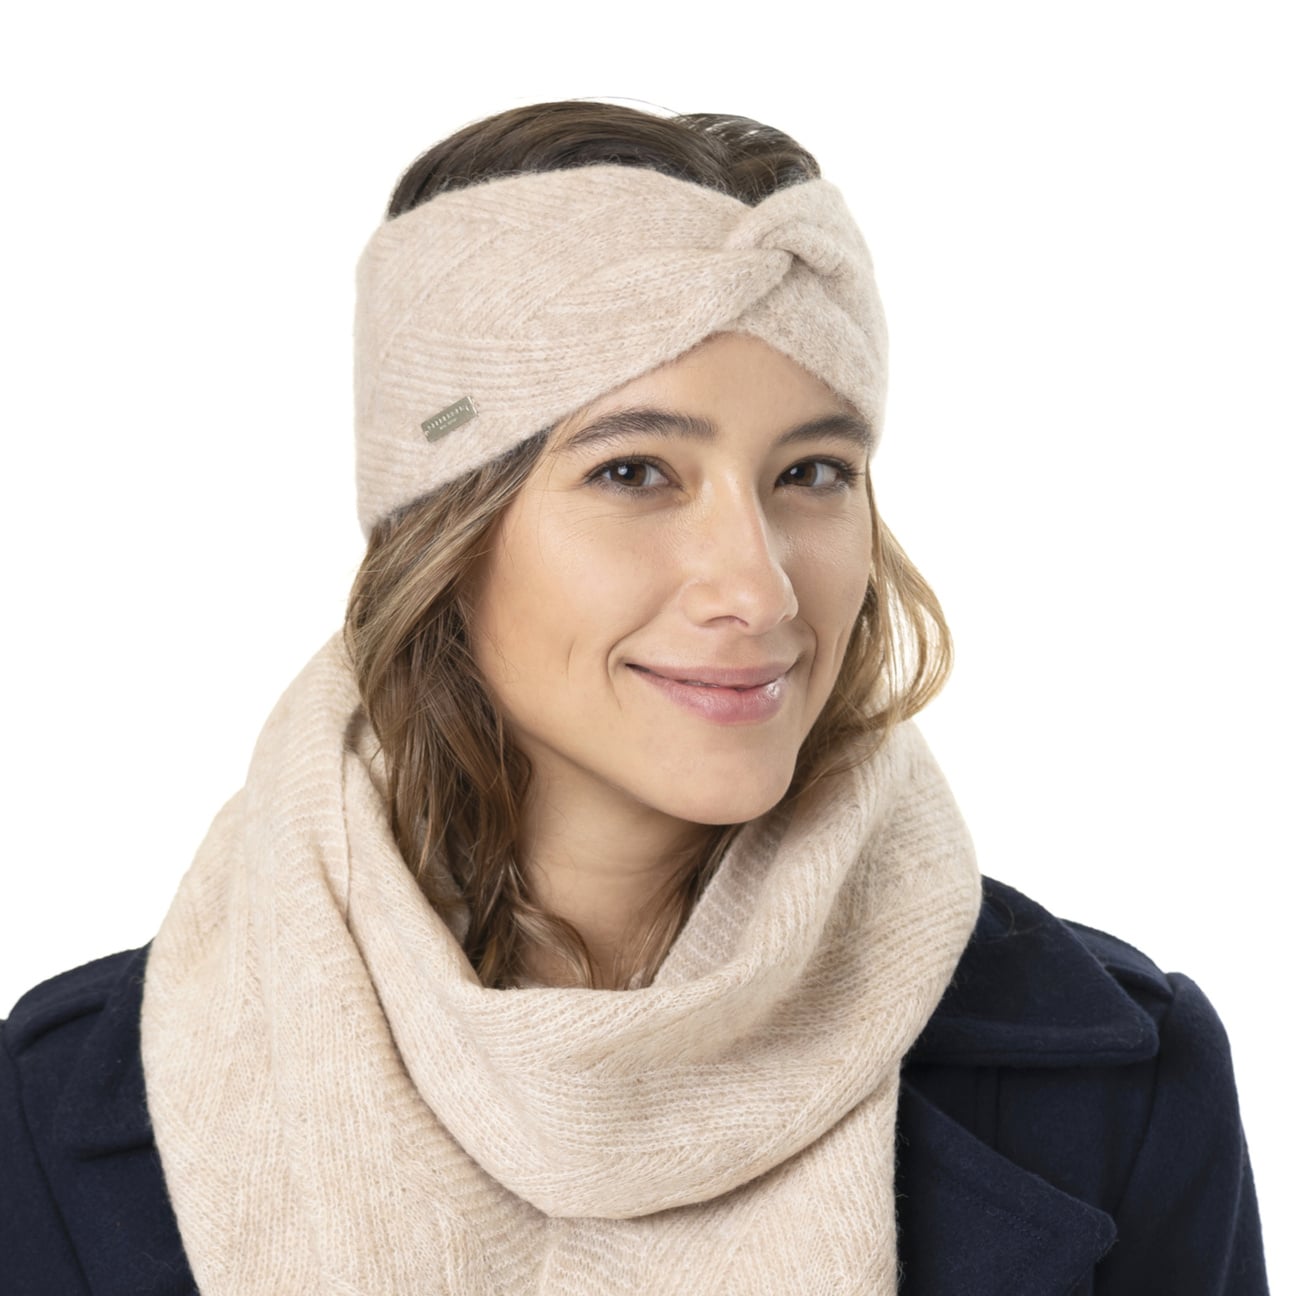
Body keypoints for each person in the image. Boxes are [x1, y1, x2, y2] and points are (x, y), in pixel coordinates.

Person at [0, 101, 1267, 1294]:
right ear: (444, 530)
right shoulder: (68, 1116)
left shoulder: (1124, 1091)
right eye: (635, 473)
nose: (758, 590)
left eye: (813, 472)